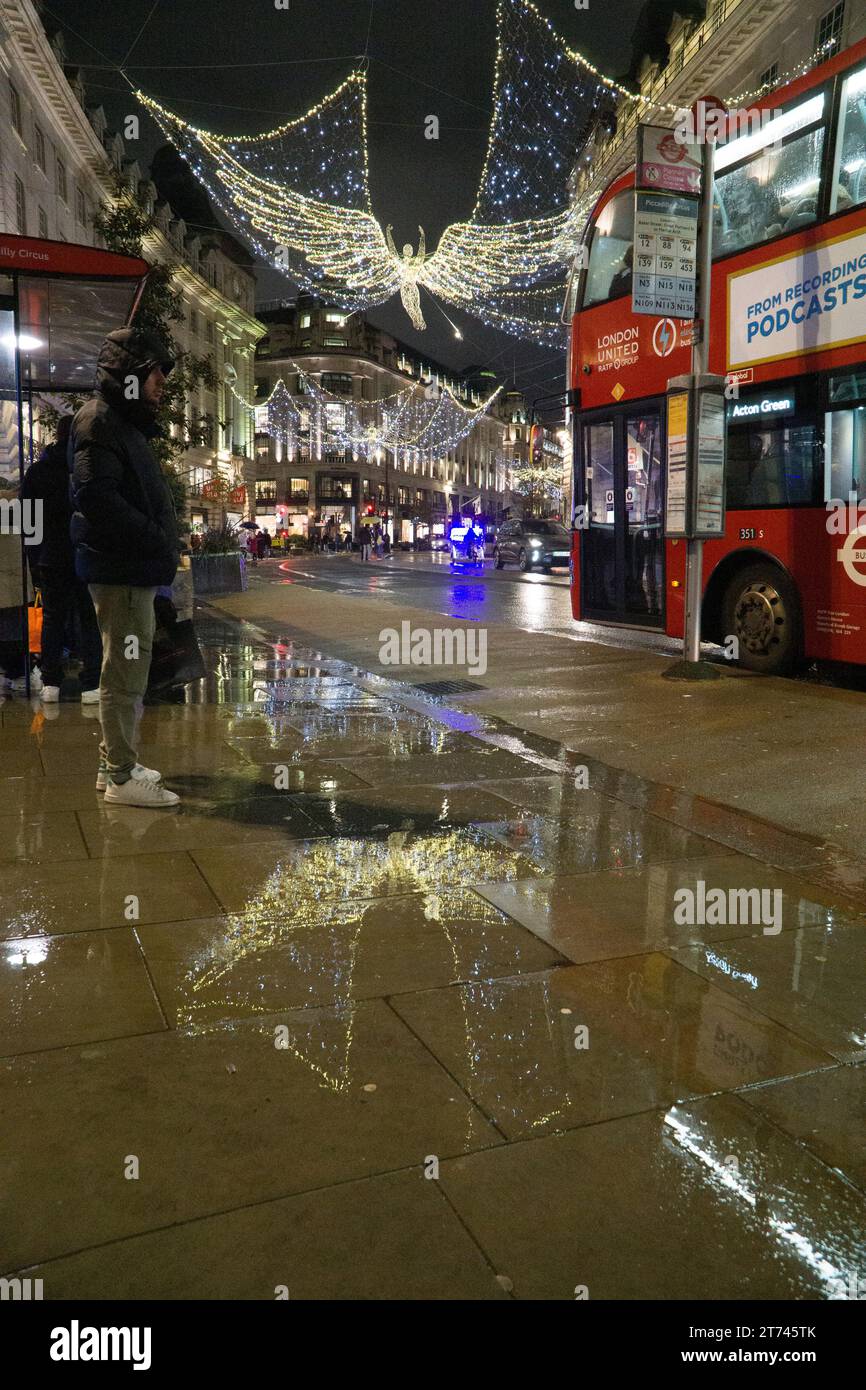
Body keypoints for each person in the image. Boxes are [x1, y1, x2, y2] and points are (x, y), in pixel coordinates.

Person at [70, 326, 181, 807]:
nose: (162, 384)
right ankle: (119, 778)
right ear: (133, 372)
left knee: (125, 670)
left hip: (130, 569)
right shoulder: (101, 421)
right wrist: (155, 538)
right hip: (123, 571)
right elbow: (97, 497)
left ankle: (112, 763)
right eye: (157, 372)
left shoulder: (120, 421)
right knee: (124, 675)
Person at [21, 414, 102, 704]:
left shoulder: (38, 472)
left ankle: (51, 682)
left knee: (52, 619)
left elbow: (27, 523)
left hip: (50, 557)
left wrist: (34, 557)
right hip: (84, 555)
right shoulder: (86, 468)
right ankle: (92, 682)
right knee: (89, 617)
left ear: (55, 435)